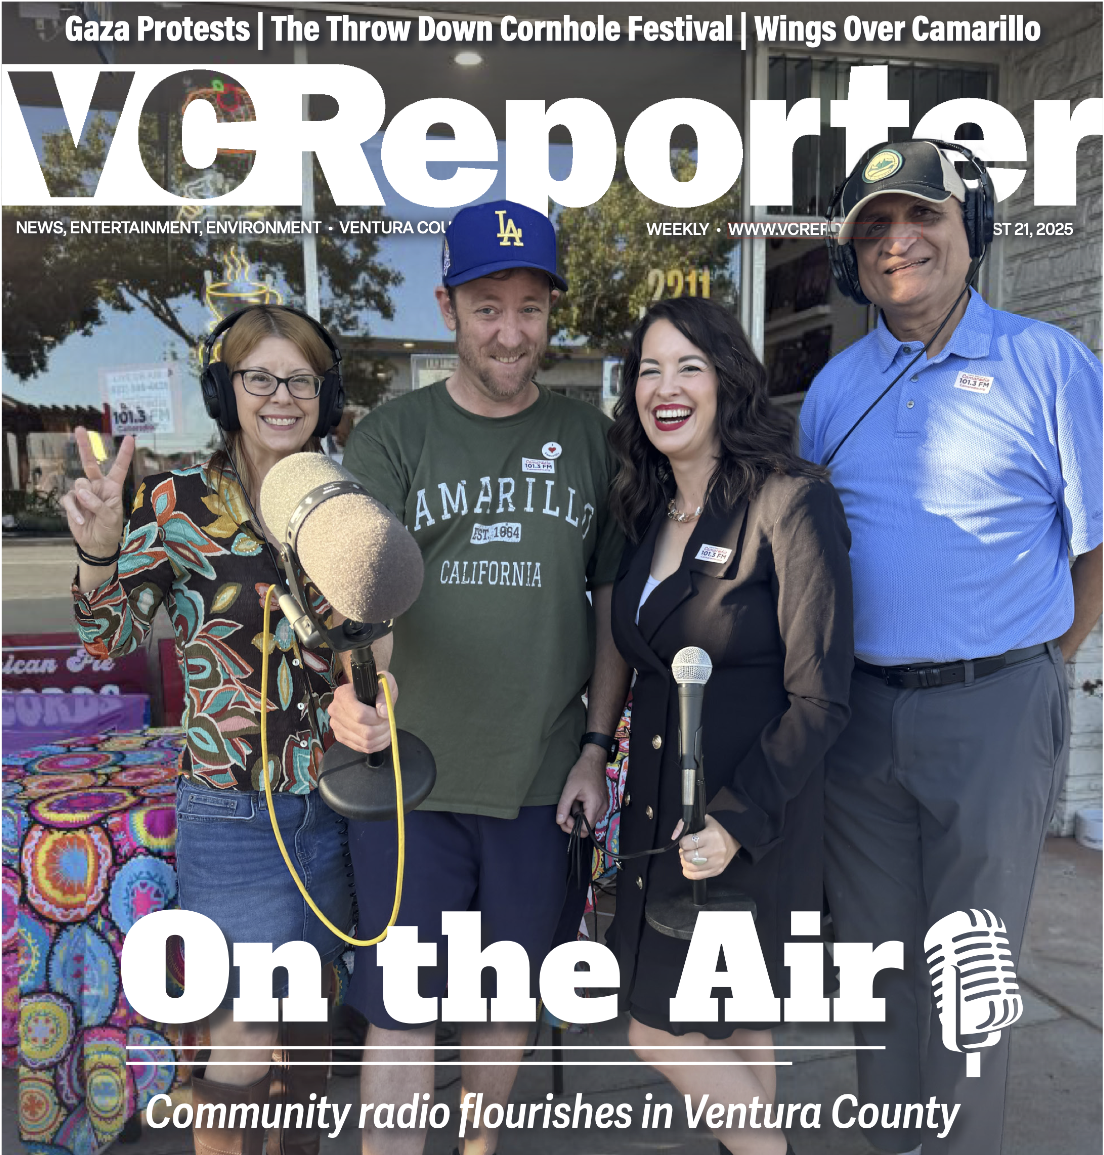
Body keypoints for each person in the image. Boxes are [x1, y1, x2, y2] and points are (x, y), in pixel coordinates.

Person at [801, 140, 1103, 1155]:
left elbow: (1096, 541)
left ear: (970, 230)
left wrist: (1043, 664)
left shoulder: (1049, 364)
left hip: (997, 705)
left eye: (922, 216)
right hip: (863, 719)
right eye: (875, 228)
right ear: (853, 261)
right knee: (882, 966)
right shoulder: (836, 391)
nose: (899, 243)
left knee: (970, 971)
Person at [330, 200, 630, 1155]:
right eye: (488, 305)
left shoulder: (590, 439)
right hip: (409, 779)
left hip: (539, 772)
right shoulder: (393, 435)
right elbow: (356, 598)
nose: (511, 331)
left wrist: (595, 747)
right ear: (448, 306)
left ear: (551, 315)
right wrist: (352, 688)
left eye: (531, 308)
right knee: (404, 1005)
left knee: (506, 990)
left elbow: (613, 612)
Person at [64, 305, 358, 1155]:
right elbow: (108, 637)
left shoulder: (341, 501)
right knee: (237, 1038)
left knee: (308, 1023)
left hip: (333, 804)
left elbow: (358, 640)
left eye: (300, 379)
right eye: (258, 377)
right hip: (231, 815)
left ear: (325, 392)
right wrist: (100, 551)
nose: (280, 396)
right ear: (224, 390)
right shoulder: (176, 502)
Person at [606, 296, 855, 1155]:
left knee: (658, 1031)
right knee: (742, 1035)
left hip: (745, 828)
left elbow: (821, 696)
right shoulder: (649, 511)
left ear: (728, 381)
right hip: (660, 826)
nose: (664, 388)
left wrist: (732, 821)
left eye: (688, 367)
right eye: (648, 368)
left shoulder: (791, 503)